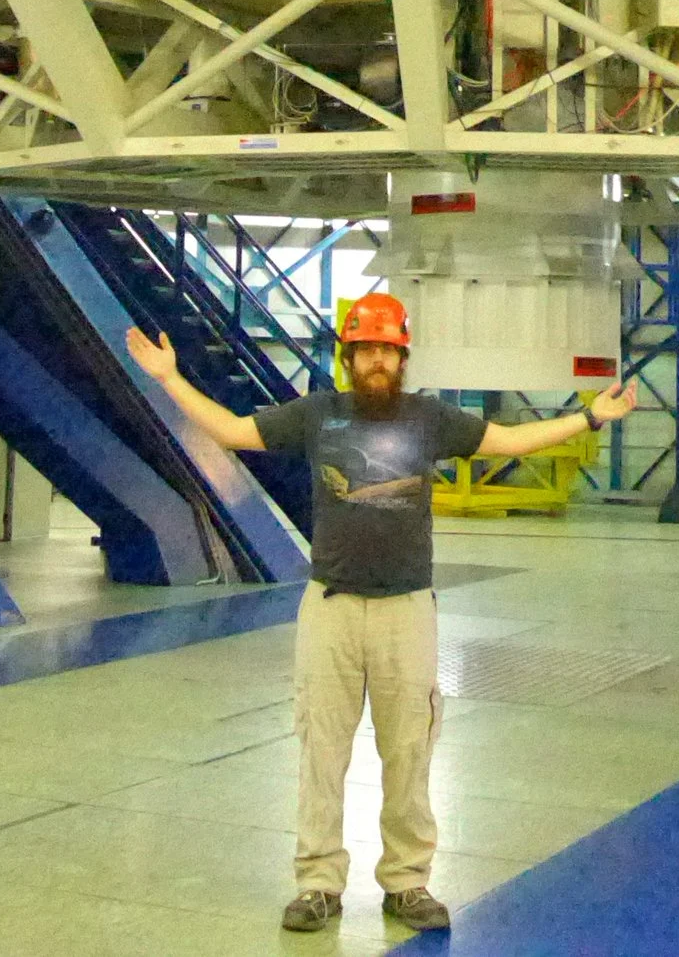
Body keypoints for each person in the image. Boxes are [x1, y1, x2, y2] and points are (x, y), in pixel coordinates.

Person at [125, 291, 637, 935]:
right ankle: (317, 883)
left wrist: (589, 418)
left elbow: (510, 437)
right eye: (364, 349)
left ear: (402, 357)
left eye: (386, 351)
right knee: (321, 748)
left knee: (410, 748)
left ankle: (407, 882)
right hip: (330, 607)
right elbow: (231, 432)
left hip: (407, 609)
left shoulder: (430, 419)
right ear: (348, 356)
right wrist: (170, 379)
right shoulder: (317, 415)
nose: (376, 361)